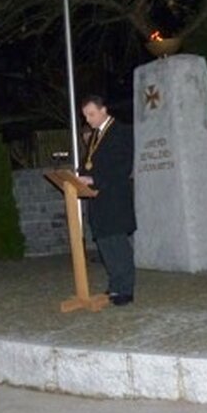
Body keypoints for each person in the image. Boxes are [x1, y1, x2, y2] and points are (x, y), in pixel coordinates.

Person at [78, 94, 136, 305]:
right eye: (85, 116)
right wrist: (80, 175)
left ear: (103, 110)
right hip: (98, 199)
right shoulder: (94, 136)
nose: (88, 120)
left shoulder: (122, 132)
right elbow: (90, 163)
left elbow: (123, 167)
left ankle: (125, 289)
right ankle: (114, 285)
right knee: (105, 244)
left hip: (114, 197)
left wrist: (94, 178)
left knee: (117, 244)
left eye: (91, 114)